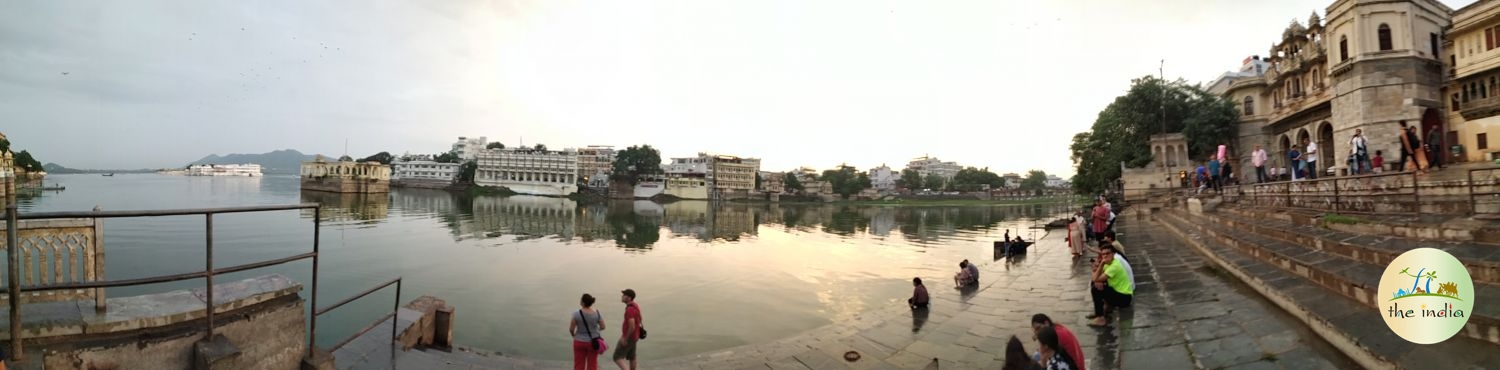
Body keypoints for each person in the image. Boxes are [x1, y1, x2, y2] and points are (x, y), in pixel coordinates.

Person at [1087, 244, 1133, 327]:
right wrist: (1097, 273)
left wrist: (1100, 265)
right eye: (1103, 254)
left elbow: (1095, 277)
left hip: (1125, 298)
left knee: (1096, 288)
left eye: (1107, 253)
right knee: (1097, 283)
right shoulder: (1109, 263)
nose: (1105, 256)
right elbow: (1096, 276)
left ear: (1113, 254)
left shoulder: (1114, 266)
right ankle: (1101, 311)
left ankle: (1100, 318)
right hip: (1118, 293)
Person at [569, 294, 606, 370]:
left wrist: (573, 335)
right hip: (593, 342)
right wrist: (595, 331)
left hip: (579, 341)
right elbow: (603, 326)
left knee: (579, 364)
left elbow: (571, 329)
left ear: (583, 302)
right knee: (592, 364)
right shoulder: (597, 313)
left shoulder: (576, 313)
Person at [614, 289, 643, 370]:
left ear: (629, 298)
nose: (622, 296)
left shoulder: (629, 310)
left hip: (629, 337)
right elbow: (640, 319)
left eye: (624, 295)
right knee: (632, 357)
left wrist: (625, 339)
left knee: (617, 357)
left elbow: (632, 326)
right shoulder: (635, 305)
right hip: (635, 336)